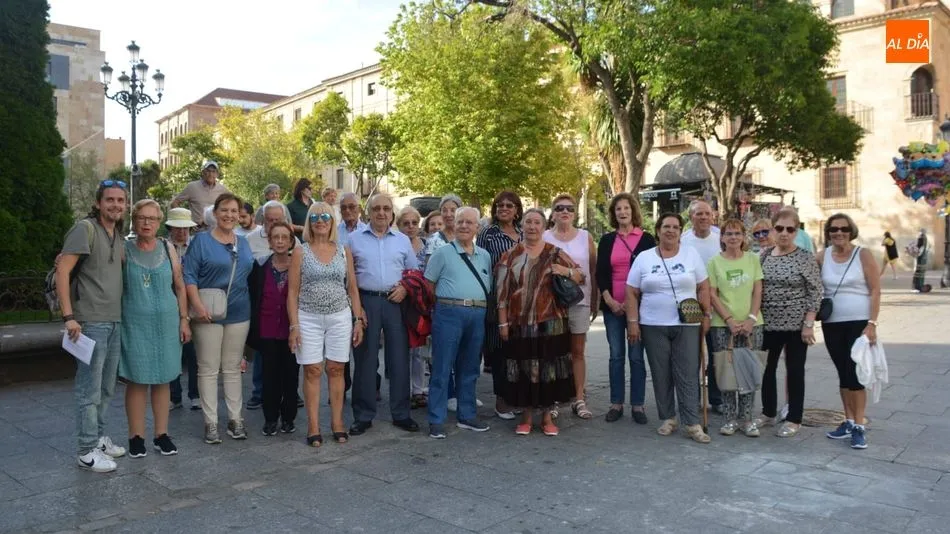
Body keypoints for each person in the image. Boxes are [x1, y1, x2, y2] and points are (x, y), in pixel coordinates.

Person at [57, 179, 128, 472]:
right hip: (89, 321)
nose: (115, 205)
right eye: (109, 200)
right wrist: (69, 316)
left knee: (107, 388)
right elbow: (63, 270)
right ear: (99, 203)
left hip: (113, 320)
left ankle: (98, 438)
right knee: (89, 389)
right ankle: (86, 450)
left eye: (121, 201)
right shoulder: (85, 229)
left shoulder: (118, 235)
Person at [626, 212, 712, 444]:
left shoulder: (691, 254)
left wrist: (706, 315)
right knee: (661, 372)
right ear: (658, 230)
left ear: (680, 231)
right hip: (653, 324)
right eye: (666, 226)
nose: (670, 230)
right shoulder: (644, 258)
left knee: (687, 372)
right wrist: (632, 323)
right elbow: (631, 292)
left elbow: (703, 287)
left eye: (675, 227)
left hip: (687, 324)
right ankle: (668, 418)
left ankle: (692, 422)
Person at [497, 208, 579, 436]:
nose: (532, 226)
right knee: (524, 370)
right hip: (520, 323)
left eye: (537, 223)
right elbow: (502, 294)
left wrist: (566, 271)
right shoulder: (510, 256)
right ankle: (525, 417)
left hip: (552, 322)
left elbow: (580, 275)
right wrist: (503, 324)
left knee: (549, 370)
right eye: (528, 222)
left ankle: (546, 419)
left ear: (544, 227)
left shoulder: (555, 252)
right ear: (521, 225)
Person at [288, 203, 364, 445]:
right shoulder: (301, 251)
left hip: (339, 316)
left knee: (336, 369)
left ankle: (337, 422)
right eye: (315, 217)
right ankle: (312, 426)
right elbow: (291, 292)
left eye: (325, 217)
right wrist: (294, 326)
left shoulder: (343, 251)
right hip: (308, 317)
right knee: (311, 370)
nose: (320, 221)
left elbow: (352, 288)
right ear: (309, 222)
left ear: (332, 222)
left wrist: (358, 319)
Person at [119, 200, 190, 458]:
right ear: (134, 221)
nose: (147, 223)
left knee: (163, 379)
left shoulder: (168, 247)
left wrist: (184, 319)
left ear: (160, 222)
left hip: (167, 324)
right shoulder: (123, 249)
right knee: (137, 381)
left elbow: (180, 285)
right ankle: (136, 437)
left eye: (152, 218)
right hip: (135, 325)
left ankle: (161, 435)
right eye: (142, 218)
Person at [184, 193, 255, 444]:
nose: (229, 215)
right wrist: (196, 305)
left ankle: (236, 419)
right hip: (208, 313)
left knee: (233, 368)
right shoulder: (201, 241)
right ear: (215, 213)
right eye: (224, 210)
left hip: (239, 312)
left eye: (234, 211)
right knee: (208, 368)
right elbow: (189, 276)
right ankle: (211, 422)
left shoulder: (244, 243)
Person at [347, 193, 419, 436]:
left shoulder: (402, 240)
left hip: (395, 302)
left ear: (392, 213)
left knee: (399, 359)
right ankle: (363, 415)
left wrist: (405, 288)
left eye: (386, 209)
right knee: (365, 360)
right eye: (376, 208)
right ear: (368, 213)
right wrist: (356, 309)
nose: (381, 213)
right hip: (366, 301)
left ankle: (401, 413)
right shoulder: (354, 239)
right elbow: (349, 277)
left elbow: (413, 271)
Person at [425, 207, 492, 438]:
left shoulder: (484, 255)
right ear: (453, 224)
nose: (464, 226)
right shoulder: (442, 253)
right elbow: (428, 286)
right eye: (460, 221)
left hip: (477, 314)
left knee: (471, 367)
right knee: (442, 367)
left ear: (477, 227)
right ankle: (436, 418)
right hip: (449, 311)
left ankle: (467, 415)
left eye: (469, 222)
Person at [757, 207, 822, 438]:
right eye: (779, 228)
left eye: (790, 229)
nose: (784, 233)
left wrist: (809, 323)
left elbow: (815, 291)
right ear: (773, 229)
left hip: (796, 325)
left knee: (794, 370)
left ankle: (795, 418)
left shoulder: (804, 258)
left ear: (796, 231)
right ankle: (768, 412)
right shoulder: (764, 255)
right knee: (766, 369)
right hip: (768, 322)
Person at [819, 214, 880, 450]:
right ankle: (848, 420)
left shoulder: (862, 254)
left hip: (858, 322)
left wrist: (872, 323)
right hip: (832, 323)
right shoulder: (822, 256)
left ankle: (859, 425)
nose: (839, 233)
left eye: (844, 229)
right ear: (828, 232)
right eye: (834, 229)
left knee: (855, 375)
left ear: (851, 231)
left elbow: (875, 290)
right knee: (843, 372)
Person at [595, 192, 656, 424]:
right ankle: (616, 403)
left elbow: (651, 273)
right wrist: (610, 301)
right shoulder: (608, 240)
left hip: (638, 309)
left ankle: (638, 405)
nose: (622, 212)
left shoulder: (647, 239)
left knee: (636, 357)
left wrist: (633, 304)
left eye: (626, 208)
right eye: (618, 209)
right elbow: (601, 273)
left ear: (633, 211)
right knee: (616, 356)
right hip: (612, 307)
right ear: (614, 214)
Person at [707, 219, 764, 437]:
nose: (733, 237)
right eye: (728, 234)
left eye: (737, 233)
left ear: (743, 237)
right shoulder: (714, 262)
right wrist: (729, 319)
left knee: (749, 370)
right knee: (727, 370)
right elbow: (712, 294)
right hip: (723, 325)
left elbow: (758, 291)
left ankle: (747, 419)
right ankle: (730, 418)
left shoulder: (753, 260)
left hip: (753, 323)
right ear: (721, 238)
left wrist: (750, 318)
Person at [543, 194, 597, 420]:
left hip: (579, 301)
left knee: (577, 351)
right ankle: (553, 399)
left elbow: (592, 271)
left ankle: (578, 398)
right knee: (554, 352)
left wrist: (595, 300)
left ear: (575, 213)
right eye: (560, 208)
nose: (565, 212)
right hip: (550, 304)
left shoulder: (586, 237)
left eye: (570, 209)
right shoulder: (544, 237)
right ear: (553, 213)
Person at [247, 222, 299, 437]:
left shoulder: (298, 267)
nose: (279, 241)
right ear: (269, 241)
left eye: (283, 237)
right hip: (267, 330)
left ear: (290, 241)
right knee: (269, 377)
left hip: (291, 331)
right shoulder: (259, 268)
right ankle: (270, 419)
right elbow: (254, 298)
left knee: (290, 376)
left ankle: (288, 418)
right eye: (275, 237)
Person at [476, 191, 524, 420]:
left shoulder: (524, 233)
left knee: (518, 349)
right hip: (497, 297)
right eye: (499, 205)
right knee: (499, 350)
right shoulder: (488, 233)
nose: (503, 209)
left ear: (517, 210)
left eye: (509, 205)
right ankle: (501, 400)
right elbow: (481, 264)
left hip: (524, 300)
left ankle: (516, 396)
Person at [680, 200, 723, 414]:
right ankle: (692, 398)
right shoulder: (684, 240)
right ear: (691, 217)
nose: (703, 217)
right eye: (698, 214)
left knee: (716, 353)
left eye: (707, 213)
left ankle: (716, 398)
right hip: (691, 305)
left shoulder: (720, 238)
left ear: (713, 216)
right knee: (692, 355)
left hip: (717, 304)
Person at [166, 207, 200, 411]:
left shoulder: (196, 246)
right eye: (177, 228)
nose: (181, 232)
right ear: (170, 228)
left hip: (193, 301)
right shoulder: (163, 246)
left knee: (193, 352)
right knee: (173, 352)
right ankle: (174, 395)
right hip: (170, 302)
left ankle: (195, 394)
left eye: (185, 229)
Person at [396, 206, 429, 408]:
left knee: (419, 348)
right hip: (400, 300)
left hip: (421, 303)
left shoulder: (427, 245)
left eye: (414, 223)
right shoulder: (396, 244)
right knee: (401, 347)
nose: (410, 227)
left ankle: (418, 389)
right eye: (405, 223)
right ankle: (402, 389)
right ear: (399, 225)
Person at [171, 160, 230, 227]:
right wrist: (184, 222)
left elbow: (234, 204)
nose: (211, 174)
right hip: (197, 230)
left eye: (213, 171)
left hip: (216, 231)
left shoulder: (222, 189)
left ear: (217, 174)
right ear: (203, 172)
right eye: (208, 171)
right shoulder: (192, 187)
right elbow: (174, 203)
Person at [912, 228, 930, 292]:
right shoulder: (925, 237)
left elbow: (918, 246)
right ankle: (920, 285)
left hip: (920, 257)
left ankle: (917, 287)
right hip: (924, 257)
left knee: (918, 272)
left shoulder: (921, 237)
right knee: (921, 272)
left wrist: (913, 249)